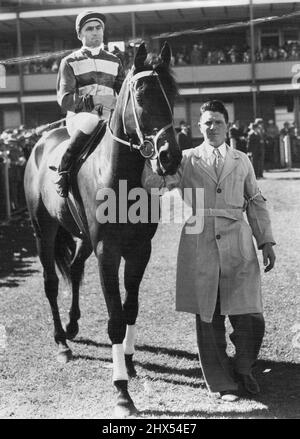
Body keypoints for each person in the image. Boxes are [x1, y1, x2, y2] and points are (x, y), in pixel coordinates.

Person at [142, 100, 276, 401]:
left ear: (227, 125)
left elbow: (255, 200)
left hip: (238, 242)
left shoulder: (242, 160)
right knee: (208, 316)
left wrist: (265, 240)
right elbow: (154, 184)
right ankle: (221, 382)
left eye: (217, 121)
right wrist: (152, 156)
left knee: (251, 315)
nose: (212, 127)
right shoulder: (187, 158)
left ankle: (243, 367)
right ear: (198, 127)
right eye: (206, 123)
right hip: (200, 240)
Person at [54, 10, 125, 197]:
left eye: (98, 28)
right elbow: (65, 99)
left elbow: (123, 93)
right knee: (91, 121)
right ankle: (64, 169)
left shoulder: (115, 60)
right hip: (81, 117)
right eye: (89, 29)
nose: (95, 32)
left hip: (109, 115)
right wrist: (94, 102)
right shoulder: (68, 61)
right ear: (80, 34)